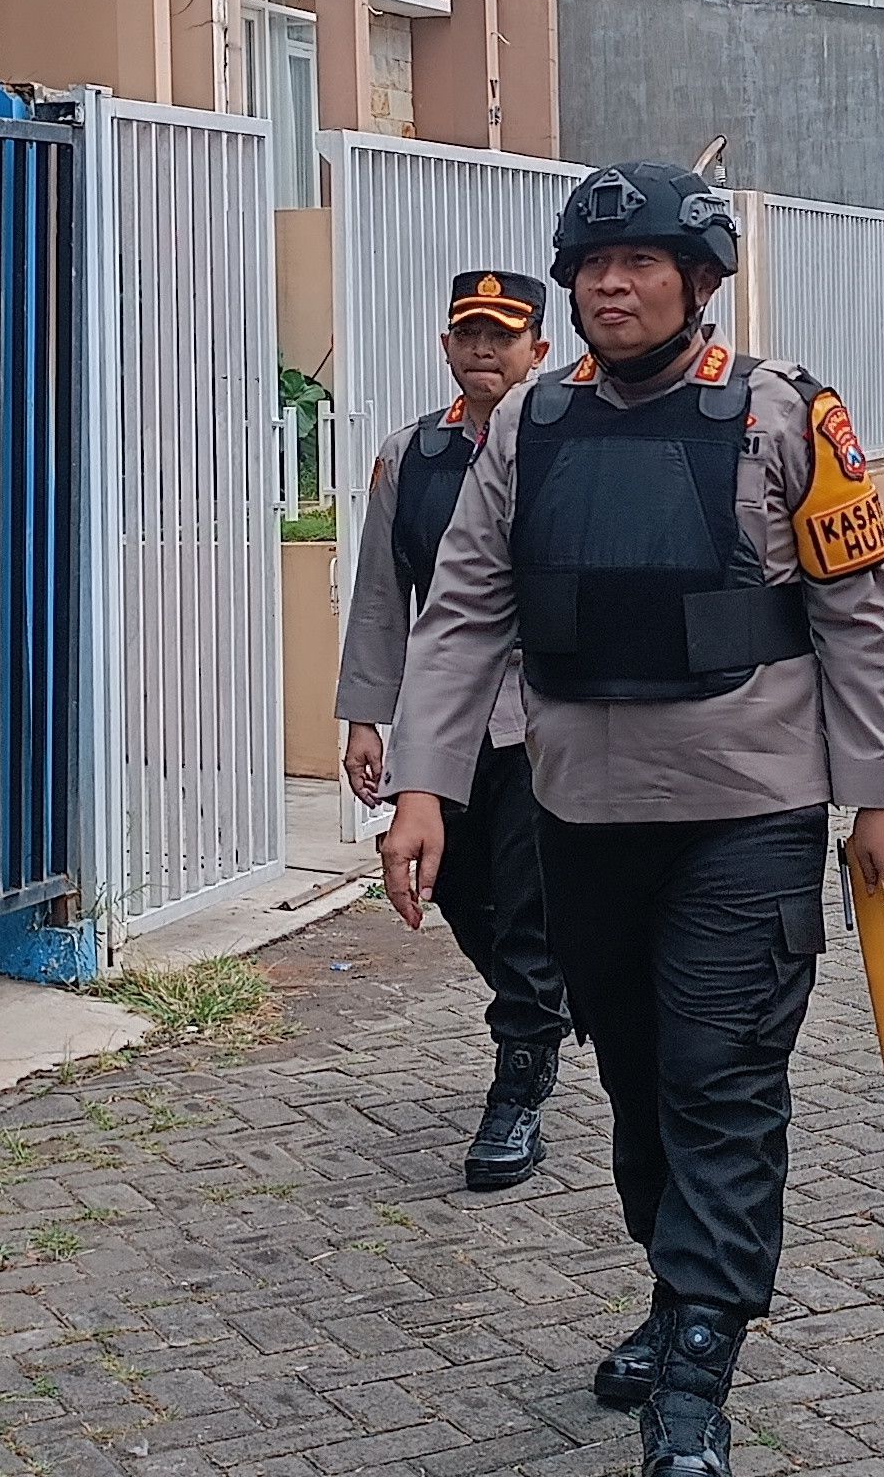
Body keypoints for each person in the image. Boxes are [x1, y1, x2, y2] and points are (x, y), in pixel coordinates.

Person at [376, 162, 884, 1477]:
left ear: (701, 282)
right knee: (636, 1087)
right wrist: (423, 785)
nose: (609, 287)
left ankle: (695, 1374)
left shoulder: (787, 416)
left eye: (639, 265)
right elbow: (462, 617)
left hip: (751, 809)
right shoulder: (530, 428)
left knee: (719, 1079)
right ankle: (682, 1286)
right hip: (584, 812)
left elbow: (859, 614)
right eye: (591, 268)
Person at [341, 269, 575, 1192]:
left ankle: (518, 1078)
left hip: (545, 717)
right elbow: (377, 597)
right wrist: (367, 716)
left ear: (539, 353)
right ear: (446, 347)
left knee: (525, 897)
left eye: (503, 336)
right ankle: (541, 1007)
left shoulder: (569, 446)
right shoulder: (413, 458)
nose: (485, 350)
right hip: (446, 722)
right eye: (469, 335)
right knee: (458, 889)